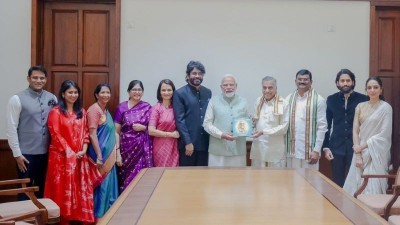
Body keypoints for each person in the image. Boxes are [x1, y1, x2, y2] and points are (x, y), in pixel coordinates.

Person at [45, 80, 101, 225]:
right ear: (63, 94)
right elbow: (56, 135)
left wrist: (83, 149)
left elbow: (86, 132)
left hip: (80, 157)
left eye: (75, 92)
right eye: (70, 92)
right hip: (60, 159)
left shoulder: (81, 111)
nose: (73, 95)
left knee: (78, 188)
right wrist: (70, 153)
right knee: (61, 189)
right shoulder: (55, 112)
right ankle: (62, 218)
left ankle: (77, 217)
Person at [6, 65, 57, 199]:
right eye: (35, 77)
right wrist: (17, 154)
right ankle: (25, 219)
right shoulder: (16, 99)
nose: (38, 80)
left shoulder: (53, 98)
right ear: (28, 79)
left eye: (41, 78)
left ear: (46, 80)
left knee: (43, 189)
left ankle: (41, 219)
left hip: (47, 153)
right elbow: (11, 128)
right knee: (24, 190)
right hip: (26, 155)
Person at [344, 76, 392, 195]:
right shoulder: (360, 106)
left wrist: (362, 146)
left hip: (377, 153)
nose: (372, 90)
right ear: (366, 90)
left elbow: (383, 135)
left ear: (381, 90)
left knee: (372, 188)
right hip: (360, 152)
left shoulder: (386, 108)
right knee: (355, 185)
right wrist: (358, 153)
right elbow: (355, 131)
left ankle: (371, 212)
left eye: (376, 87)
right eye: (369, 88)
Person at [322, 69, 368, 187]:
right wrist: (326, 147)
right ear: (337, 83)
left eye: (348, 80)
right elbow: (326, 124)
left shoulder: (363, 99)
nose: (345, 83)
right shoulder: (331, 99)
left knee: (356, 182)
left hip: (356, 148)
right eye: (342, 81)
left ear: (353, 82)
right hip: (336, 147)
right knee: (337, 182)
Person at [87, 83, 122, 218]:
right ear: (96, 94)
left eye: (108, 92)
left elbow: (114, 133)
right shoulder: (94, 110)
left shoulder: (106, 110)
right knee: (101, 184)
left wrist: (117, 153)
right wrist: (100, 155)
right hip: (99, 156)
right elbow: (92, 134)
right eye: (103, 92)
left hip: (110, 155)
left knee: (109, 184)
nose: (106, 95)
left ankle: (109, 213)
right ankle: (99, 215)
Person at [114, 80, 153, 192]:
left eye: (139, 90)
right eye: (134, 89)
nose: (137, 92)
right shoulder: (121, 108)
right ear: (128, 92)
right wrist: (117, 154)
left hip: (142, 150)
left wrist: (144, 128)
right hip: (126, 151)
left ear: (143, 92)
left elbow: (152, 128)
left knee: (142, 178)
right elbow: (116, 132)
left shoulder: (147, 107)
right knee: (126, 179)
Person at [286, 69, 328, 169]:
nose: (302, 81)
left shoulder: (318, 100)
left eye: (306, 79)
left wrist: (317, 150)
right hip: (292, 152)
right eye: (300, 79)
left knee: (310, 182)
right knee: (291, 182)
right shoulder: (288, 99)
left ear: (311, 82)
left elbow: (322, 127)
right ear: (295, 81)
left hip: (310, 153)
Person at [203, 74, 248, 167]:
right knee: (217, 180)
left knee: (239, 179)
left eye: (231, 85)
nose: (229, 87)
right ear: (221, 87)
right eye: (225, 85)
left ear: (236, 86)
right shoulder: (213, 101)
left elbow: (247, 122)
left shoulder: (244, 101)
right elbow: (207, 124)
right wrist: (221, 134)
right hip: (217, 150)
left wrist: (252, 123)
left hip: (238, 149)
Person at [173, 61, 212, 166]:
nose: (197, 76)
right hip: (188, 145)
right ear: (188, 75)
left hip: (204, 143)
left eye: (200, 73)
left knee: (203, 177)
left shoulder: (208, 92)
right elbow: (179, 120)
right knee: (187, 178)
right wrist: (188, 142)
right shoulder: (179, 93)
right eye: (194, 73)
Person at [250, 76, 289, 168]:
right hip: (259, 148)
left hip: (275, 148)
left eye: (270, 87)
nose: (267, 90)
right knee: (257, 178)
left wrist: (264, 132)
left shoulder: (283, 103)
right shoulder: (258, 101)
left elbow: (284, 127)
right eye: (264, 87)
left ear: (276, 88)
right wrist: (249, 123)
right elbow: (255, 122)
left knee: (275, 180)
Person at [149, 79, 180, 167]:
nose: (166, 92)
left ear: (173, 91)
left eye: (169, 90)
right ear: (159, 92)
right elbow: (151, 131)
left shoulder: (177, 107)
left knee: (174, 173)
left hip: (174, 145)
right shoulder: (156, 108)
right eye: (163, 90)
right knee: (161, 172)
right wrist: (171, 135)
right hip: (160, 146)